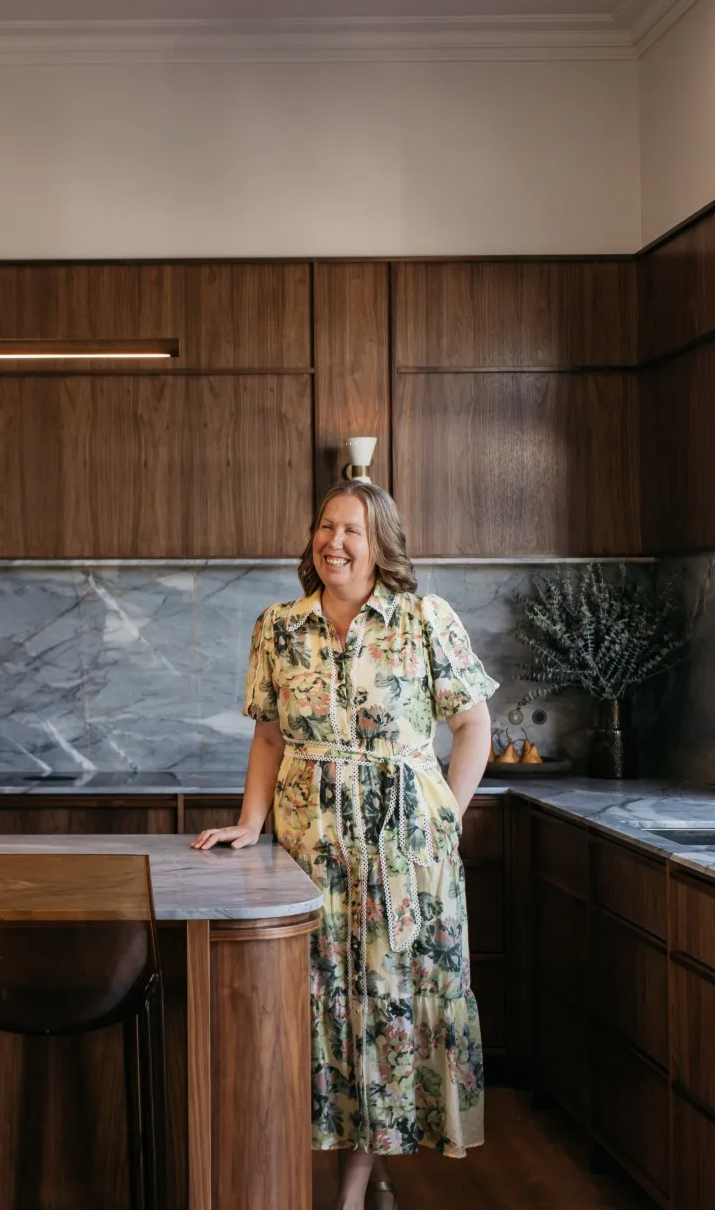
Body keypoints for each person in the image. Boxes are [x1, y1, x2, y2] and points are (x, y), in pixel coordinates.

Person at [193, 480, 495, 1210]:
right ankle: (348, 1169)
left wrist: (444, 819)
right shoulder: (280, 626)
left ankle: (351, 1190)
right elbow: (269, 734)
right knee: (323, 1004)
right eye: (326, 527)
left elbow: (473, 725)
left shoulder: (426, 619)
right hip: (310, 854)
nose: (335, 541)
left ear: (381, 541)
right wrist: (250, 822)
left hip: (403, 860)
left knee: (386, 1005)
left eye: (352, 530)